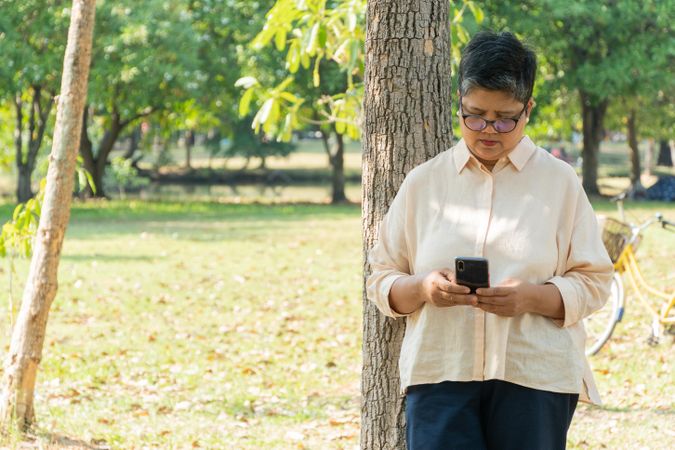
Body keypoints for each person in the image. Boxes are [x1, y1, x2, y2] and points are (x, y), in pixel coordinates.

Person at [366, 31, 613, 450]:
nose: (488, 130)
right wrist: (424, 288)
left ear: (528, 109)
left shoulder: (560, 183)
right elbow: (381, 279)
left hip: (534, 377)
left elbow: (595, 282)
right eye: (474, 115)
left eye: (505, 118)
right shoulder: (424, 183)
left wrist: (533, 298)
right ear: (459, 105)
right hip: (440, 373)